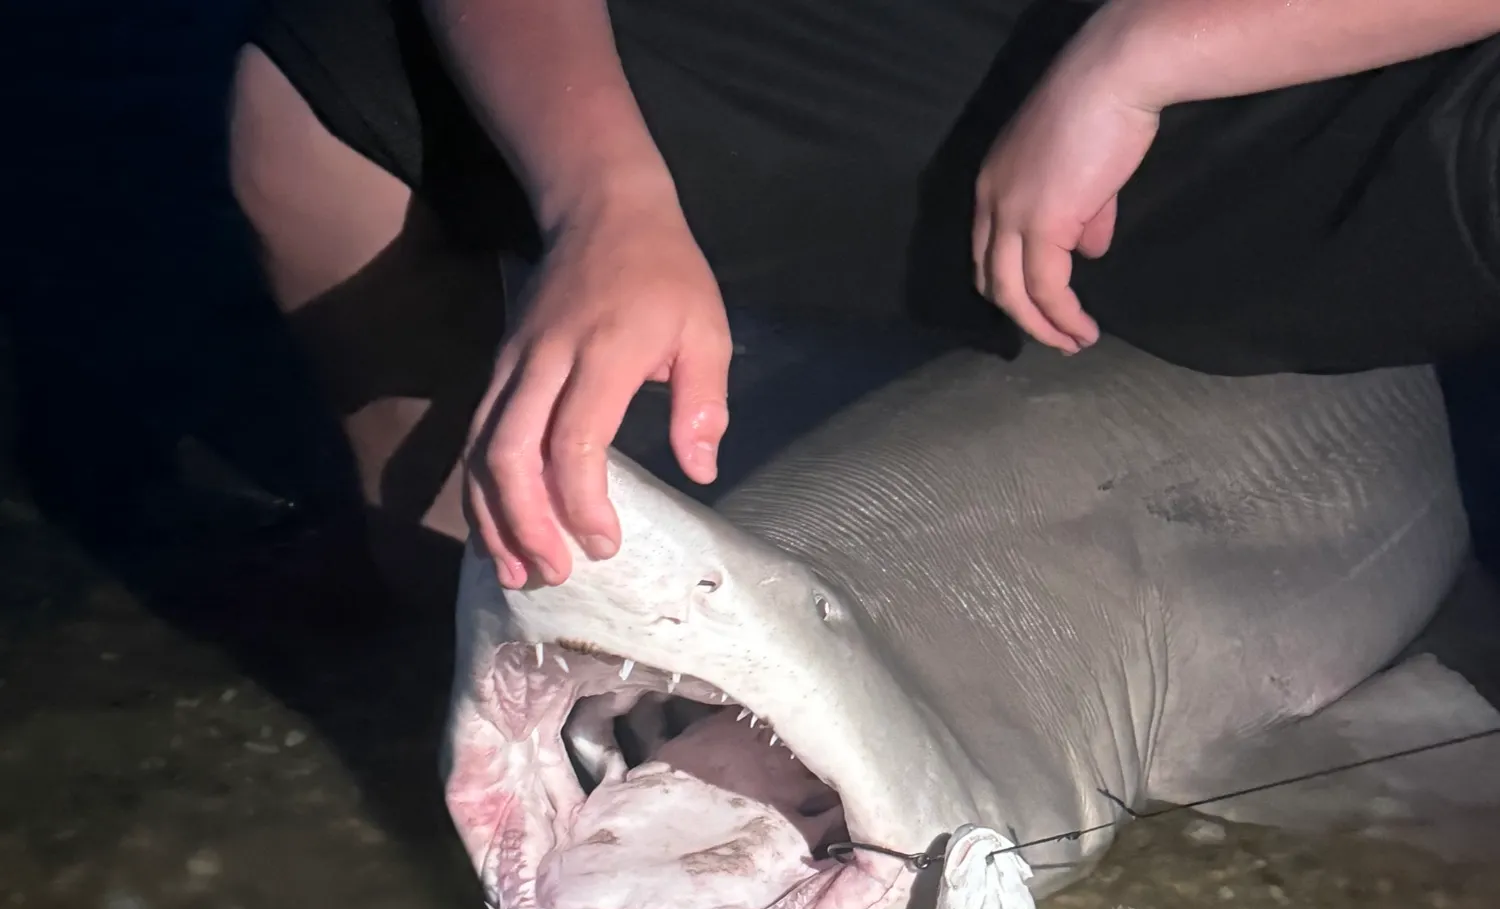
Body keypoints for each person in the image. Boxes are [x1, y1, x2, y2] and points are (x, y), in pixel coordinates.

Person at [229, 0, 1500, 591]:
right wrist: (605, 203)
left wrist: (1152, 51)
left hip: (1379, 67)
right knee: (334, 81)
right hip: (948, 62)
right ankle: (474, 645)